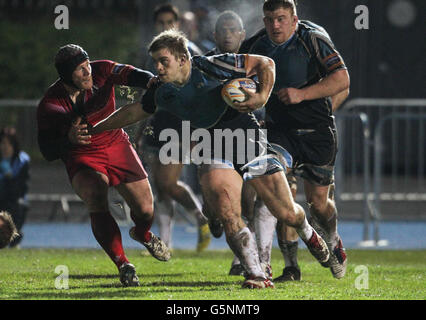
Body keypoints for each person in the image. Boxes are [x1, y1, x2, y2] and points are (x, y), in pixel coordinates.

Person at [90, 29, 330, 289]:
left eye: (163, 61)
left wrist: (261, 96)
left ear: (182, 59)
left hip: (246, 136)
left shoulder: (213, 65)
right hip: (212, 144)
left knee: (285, 212)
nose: (157, 68)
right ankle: (257, 274)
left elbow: (266, 63)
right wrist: (95, 129)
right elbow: (131, 112)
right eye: (155, 62)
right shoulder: (160, 91)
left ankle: (306, 230)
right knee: (227, 210)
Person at [36, 44, 171, 287]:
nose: (88, 71)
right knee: (95, 193)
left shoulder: (102, 70)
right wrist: (67, 140)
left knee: (146, 210)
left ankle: (142, 233)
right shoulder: (50, 104)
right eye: (80, 69)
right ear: (66, 75)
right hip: (82, 153)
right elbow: (46, 150)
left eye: (87, 64)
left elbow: (133, 75)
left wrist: (151, 81)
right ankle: (123, 264)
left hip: (115, 141)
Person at [239, 0, 350, 281]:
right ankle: (270, 266)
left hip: (317, 132)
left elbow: (342, 79)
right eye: (269, 19)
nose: (275, 25)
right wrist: (245, 97)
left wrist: (302, 95)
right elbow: (237, 82)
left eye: (280, 18)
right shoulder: (255, 47)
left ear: (294, 19)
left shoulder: (312, 38)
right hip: (280, 132)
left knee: (318, 204)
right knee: (272, 193)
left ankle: (334, 240)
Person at [138, 3, 211, 252]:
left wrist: (196, 132)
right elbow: (148, 98)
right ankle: (165, 242)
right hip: (159, 123)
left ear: (178, 25)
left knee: (168, 182)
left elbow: (200, 96)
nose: (165, 26)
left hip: (181, 127)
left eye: (169, 22)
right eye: (160, 23)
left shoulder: (190, 53)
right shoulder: (153, 56)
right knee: (160, 187)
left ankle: (202, 218)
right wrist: (140, 130)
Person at [0, 127, 30, 248]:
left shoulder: (22, 160)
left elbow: (22, 188)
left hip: (14, 201)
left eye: (7, 144)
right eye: (1, 143)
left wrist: (9, 177)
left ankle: (14, 236)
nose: (4, 147)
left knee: (18, 205)